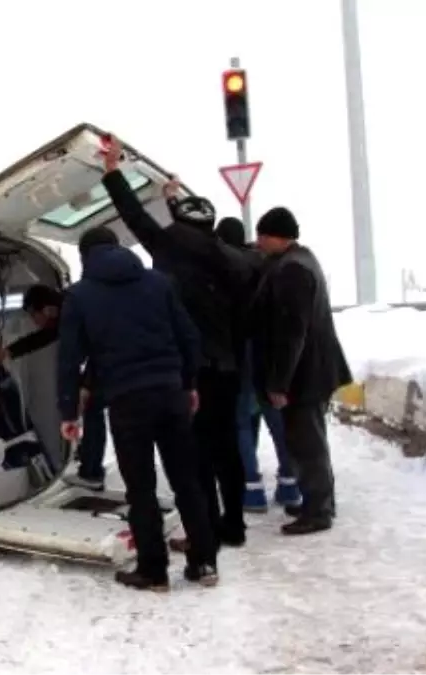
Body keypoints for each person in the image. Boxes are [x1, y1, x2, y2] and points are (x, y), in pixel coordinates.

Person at [98, 136, 254, 550]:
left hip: (192, 370)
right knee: (228, 449)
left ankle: (204, 529)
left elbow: (132, 215)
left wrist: (113, 172)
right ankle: (233, 526)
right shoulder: (232, 259)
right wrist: (172, 198)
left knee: (196, 454)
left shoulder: (169, 246)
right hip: (228, 367)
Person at [58, 226, 218, 591]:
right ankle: (205, 562)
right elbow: (189, 336)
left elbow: (69, 360)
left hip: (127, 402)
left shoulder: (80, 296)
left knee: (141, 488)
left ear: (85, 256)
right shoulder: (158, 283)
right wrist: (189, 383)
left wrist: (70, 411)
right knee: (186, 481)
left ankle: (154, 571)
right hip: (170, 392)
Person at [249, 207, 352, 535]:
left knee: (307, 443)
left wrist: (280, 382)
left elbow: (293, 332)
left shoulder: (293, 270)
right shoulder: (300, 260)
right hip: (312, 369)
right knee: (308, 440)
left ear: (276, 236)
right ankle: (316, 501)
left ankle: (318, 512)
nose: (258, 242)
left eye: (262, 237)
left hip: (304, 373)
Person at [215, 217, 302, 512]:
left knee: (241, 420)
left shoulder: (223, 267)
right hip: (270, 352)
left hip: (241, 353)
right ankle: (290, 484)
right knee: (277, 419)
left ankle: (250, 489)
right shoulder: (267, 263)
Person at [0, 285, 107, 488]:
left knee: (93, 408)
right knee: (91, 409)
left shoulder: (75, 313)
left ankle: (92, 473)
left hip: (120, 362)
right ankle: (90, 467)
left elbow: (101, 351)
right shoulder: (70, 309)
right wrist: (10, 351)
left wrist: (87, 385)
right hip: (116, 362)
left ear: (47, 310)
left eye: (34, 316)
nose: (35, 322)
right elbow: (47, 335)